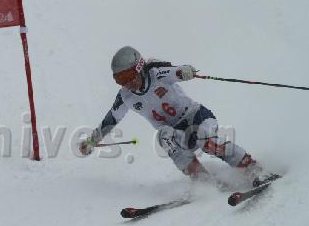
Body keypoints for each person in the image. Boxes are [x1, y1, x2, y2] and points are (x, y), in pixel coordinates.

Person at [79, 46, 264, 183]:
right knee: (163, 136)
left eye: (128, 76)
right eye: (119, 79)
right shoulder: (125, 97)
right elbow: (111, 120)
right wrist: (92, 141)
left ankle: (252, 168)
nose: (127, 83)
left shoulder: (157, 74)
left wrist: (186, 71)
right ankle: (202, 180)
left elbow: (178, 71)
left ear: (139, 67)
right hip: (179, 134)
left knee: (206, 140)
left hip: (197, 117)